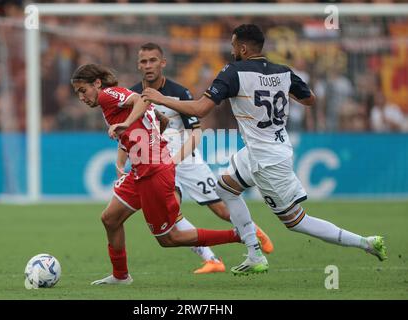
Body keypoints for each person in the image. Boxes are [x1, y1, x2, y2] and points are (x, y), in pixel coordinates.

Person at [142, 24, 387, 276]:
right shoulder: (283, 72)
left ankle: (365, 242)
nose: (232, 50)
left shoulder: (233, 72)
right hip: (262, 149)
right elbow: (310, 99)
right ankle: (254, 253)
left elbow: (200, 110)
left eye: (234, 45)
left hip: (267, 160)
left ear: (244, 48)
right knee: (224, 187)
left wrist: (160, 98)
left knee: (296, 221)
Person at [71, 64, 245, 285]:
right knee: (110, 219)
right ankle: (120, 276)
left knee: (169, 238)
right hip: (142, 169)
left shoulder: (107, 95)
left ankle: (238, 235)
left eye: (83, 90)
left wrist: (125, 124)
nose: (81, 97)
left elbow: (143, 100)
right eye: (78, 93)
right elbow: (161, 118)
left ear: (96, 83)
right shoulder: (112, 100)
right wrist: (146, 136)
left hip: (153, 171)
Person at [116, 42, 273, 274]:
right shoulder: (132, 95)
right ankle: (212, 259)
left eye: (152, 60)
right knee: (172, 216)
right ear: (138, 65)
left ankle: (253, 231)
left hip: (186, 161)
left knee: (220, 210)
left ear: (163, 63)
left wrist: (176, 160)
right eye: (143, 61)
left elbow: (196, 132)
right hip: (156, 165)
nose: (148, 65)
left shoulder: (179, 92)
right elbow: (128, 133)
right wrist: (120, 162)